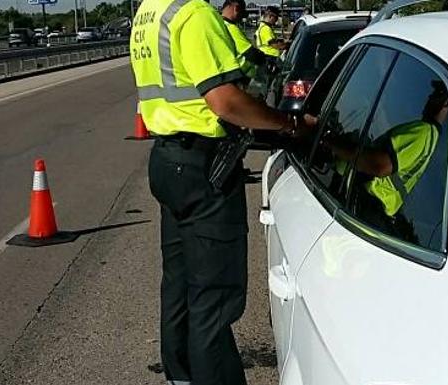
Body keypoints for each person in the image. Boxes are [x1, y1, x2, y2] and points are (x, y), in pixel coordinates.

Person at [129, 1, 316, 384]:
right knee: (213, 300)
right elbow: (226, 101)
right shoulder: (193, 14)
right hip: (203, 166)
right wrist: (288, 123)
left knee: (179, 285)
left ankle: (180, 376)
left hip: (168, 159)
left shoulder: (148, 13)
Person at [325, 81, 448, 242]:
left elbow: (379, 165)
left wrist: (331, 142)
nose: (429, 97)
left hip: (362, 203)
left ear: (445, 104)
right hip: (370, 211)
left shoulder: (423, 132)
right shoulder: (432, 138)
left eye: (436, 95)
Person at [222, 0, 267, 86]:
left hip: (228, 77)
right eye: (241, 14)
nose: (241, 18)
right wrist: (265, 59)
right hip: (241, 77)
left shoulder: (220, 25)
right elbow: (250, 53)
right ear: (236, 8)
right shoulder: (231, 28)